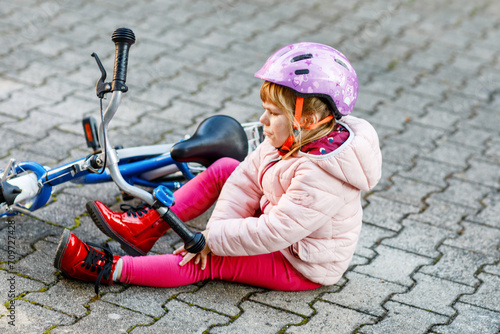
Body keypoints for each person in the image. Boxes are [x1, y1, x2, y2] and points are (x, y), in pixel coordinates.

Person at [53, 42, 382, 295]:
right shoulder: (291, 136)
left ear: (306, 120)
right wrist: (216, 232)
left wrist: (212, 243)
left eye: (273, 113)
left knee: (206, 261)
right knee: (226, 167)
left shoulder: (321, 176)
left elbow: (274, 232)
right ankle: (144, 228)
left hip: (299, 262)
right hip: (277, 223)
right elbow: (243, 181)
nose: (263, 121)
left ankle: (109, 269)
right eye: (264, 110)